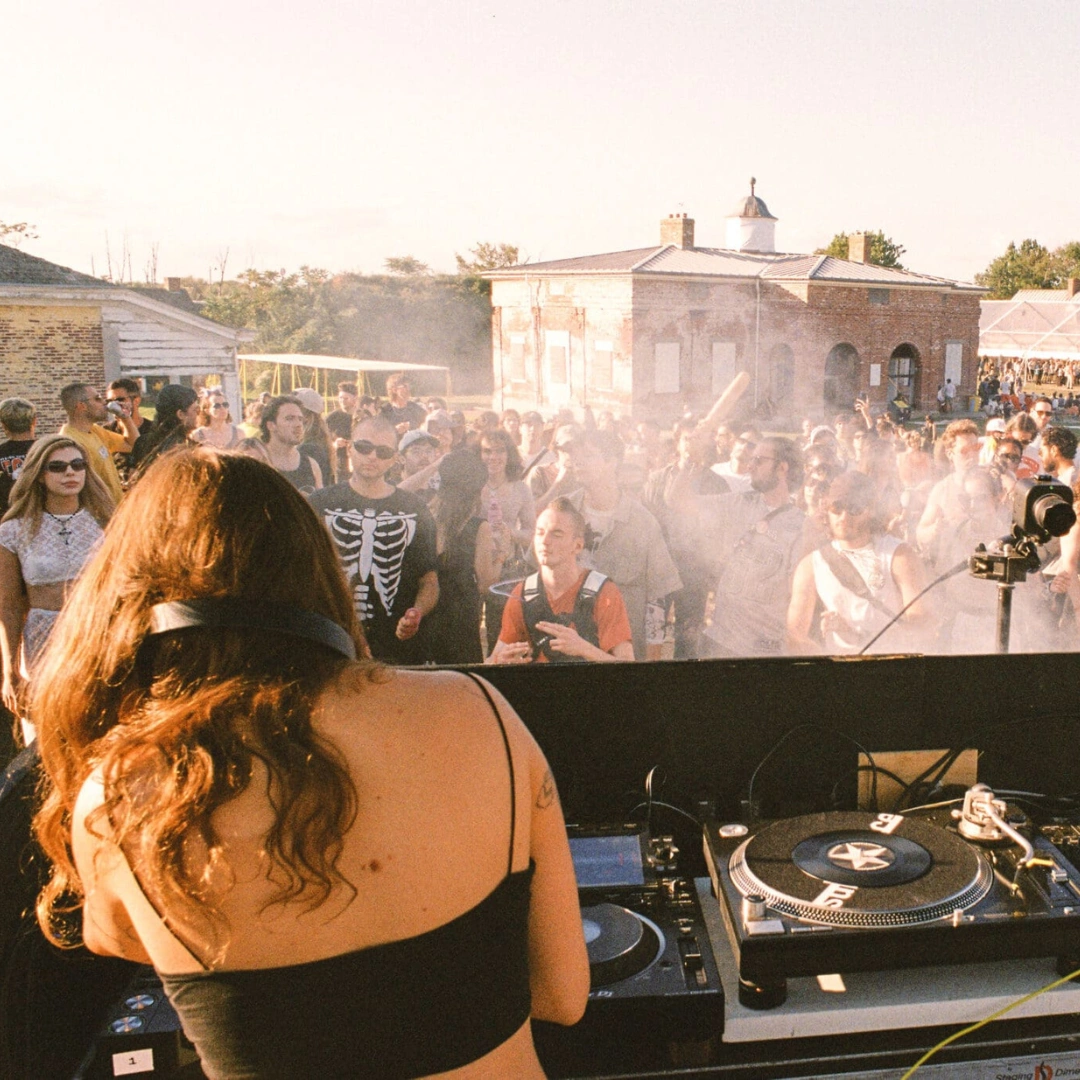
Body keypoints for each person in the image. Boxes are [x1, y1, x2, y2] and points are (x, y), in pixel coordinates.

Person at [30, 448, 589, 1080]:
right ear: (319, 570)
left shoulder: (115, 796)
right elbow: (561, 996)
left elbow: (114, 936)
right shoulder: (478, 711)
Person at [0, 435, 112, 734]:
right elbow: (8, 607)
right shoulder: (13, 531)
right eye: (57, 467)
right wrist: (9, 672)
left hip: (96, 637)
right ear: (39, 475)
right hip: (41, 641)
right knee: (46, 736)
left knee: (98, 733)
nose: (70, 472)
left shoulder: (105, 523)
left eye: (77, 464)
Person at [309, 415, 439, 663]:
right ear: (350, 448)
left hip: (396, 648)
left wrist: (417, 613)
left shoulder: (414, 509)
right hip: (331, 643)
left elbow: (429, 579)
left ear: (394, 458)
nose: (372, 457)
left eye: (383, 451)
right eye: (364, 447)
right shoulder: (320, 503)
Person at [669, 435, 805, 657]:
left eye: (759, 460)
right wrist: (689, 461)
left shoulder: (800, 526)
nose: (750, 466)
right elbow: (677, 500)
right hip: (720, 640)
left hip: (764, 650)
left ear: (782, 468)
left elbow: (796, 596)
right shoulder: (739, 503)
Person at [787, 471, 929, 655]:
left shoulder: (899, 555)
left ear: (870, 510)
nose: (844, 517)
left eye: (854, 508)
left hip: (892, 663)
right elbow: (795, 636)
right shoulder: (811, 565)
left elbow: (922, 624)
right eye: (837, 508)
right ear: (827, 509)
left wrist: (856, 637)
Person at [490, 499, 633, 664]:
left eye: (556, 534)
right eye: (540, 533)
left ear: (577, 546)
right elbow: (491, 661)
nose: (545, 541)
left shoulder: (603, 592)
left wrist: (584, 649)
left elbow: (627, 666)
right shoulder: (523, 594)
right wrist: (501, 662)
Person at [426, 450, 512, 664]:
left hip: (426, 614)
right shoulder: (478, 528)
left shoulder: (426, 518)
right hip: (460, 621)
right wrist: (502, 552)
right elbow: (487, 583)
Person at [58, 383, 137, 504]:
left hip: (116, 507)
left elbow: (133, 445)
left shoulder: (94, 430)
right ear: (82, 406)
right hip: (100, 510)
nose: (104, 402)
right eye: (97, 398)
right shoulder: (70, 442)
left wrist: (125, 417)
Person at [131, 384, 201, 477]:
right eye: (196, 410)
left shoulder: (142, 442)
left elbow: (132, 478)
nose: (199, 414)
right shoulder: (191, 449)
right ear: (181, 414)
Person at [260, 395, 324, 494]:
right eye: (289, 418)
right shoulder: (258, 461)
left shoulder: (311, 465)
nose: (298, 424)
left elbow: (320, 501)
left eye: (300, 419)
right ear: (271, 425)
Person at [105, 378, 157, 481]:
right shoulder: (106, 431)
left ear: (136, 401)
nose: (114, 405)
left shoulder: (155, 430)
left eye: (120, 400)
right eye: (109, 401)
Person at [0, 397, 37, 512]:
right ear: (34, 421)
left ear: (3, 425)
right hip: (42, 512)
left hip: (9, 513)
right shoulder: (47, 449)